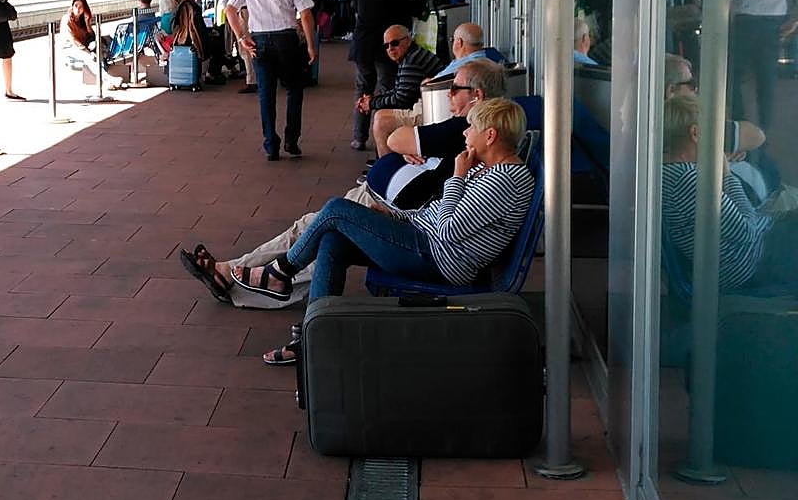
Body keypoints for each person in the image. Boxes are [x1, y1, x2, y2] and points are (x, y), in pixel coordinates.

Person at [178, 59, 510, 310]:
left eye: (455, 88)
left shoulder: (467, 135)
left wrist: (425, 162)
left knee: (316, 232)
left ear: (477, 96)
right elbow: (396, 140)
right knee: (311, 231)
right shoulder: (470, 134)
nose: (448, 92)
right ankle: (242, 274)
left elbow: (447, 221)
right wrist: (408, 150)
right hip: (392, 207)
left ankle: (240, 281)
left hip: (400, 217)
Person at [242, 98, 535, 362]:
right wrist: (394, 215)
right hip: (427, 242)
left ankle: (281, 272)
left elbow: (447, 230)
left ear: (490, 136)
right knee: (334, 238)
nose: (465, 133)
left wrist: (457, 177)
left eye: (471, 128)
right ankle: (315, 335)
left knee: (336, 209)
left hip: (440, 259)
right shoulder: (488, 168)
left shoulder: (504, 180)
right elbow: (435, 215)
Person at [661, 90, 798, 293]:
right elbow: (747, 232)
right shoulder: (688, 179)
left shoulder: (669, 171)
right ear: (695, 133)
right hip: (755, 260)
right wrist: (726, 175)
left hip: (760, 243)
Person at [224, 0, 316, 159]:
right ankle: (291, 141)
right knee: (294, 89)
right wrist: (311, 46)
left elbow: (230, 9)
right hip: (287, 40)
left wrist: (242, 37)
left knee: (266, 94)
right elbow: (305, 14)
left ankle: (271, 145)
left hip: (259, 41)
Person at [729, 0, 798, 135]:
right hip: (774, 23)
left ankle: (740, 123)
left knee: (735, 76)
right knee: (766, 78)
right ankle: (764, 127)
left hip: (745, 22)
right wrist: (794, 20)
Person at [350, 0, 416, 150]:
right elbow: (411, 14)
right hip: (388, 47)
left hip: (363, 44)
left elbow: (355, 8)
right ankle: (386, 134)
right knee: (387, 90)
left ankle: (359, 137)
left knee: (363, 87)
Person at [365, 24, 442, 157]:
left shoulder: (412, 60)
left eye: (394, 43)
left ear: (408, 40)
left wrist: (372, 103)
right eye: (386, 46)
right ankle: (387, 161)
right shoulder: (411, 55)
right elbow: (399, 92)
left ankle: (387, 165)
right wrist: (372, 101)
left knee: (382, 121)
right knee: (381, 113)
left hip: (431, 111)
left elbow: (402, 99)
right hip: (428, 105)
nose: (390, 49)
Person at [61, 0, 125, 90]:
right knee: (89, 57)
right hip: (70, 48)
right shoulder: (67, 19)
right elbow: (73, 40)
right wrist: (87, 52)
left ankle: (106, 82)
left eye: (81, 7)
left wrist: (87, 22)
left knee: (99, 48)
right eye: (76, 5)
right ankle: (110, 79)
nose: (78, 9)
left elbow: (91, 37)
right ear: (72, 6)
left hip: (82, 47)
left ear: (84, 9)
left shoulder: (82, 20)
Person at [220, 0, 255, 92]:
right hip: (238, 12)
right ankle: (251, 78)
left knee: (245, 46)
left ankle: (252, 81)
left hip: (244, 12)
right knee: (242, 48)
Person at [433, 22, 505, 79]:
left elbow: (433, 82)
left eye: (453, 40)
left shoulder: (463, 66)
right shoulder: (493, 60)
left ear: (459, 42)